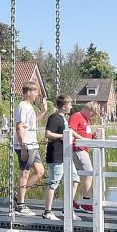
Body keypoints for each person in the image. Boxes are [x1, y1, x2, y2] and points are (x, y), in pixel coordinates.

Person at [13, 82, 48, 216]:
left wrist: (43, 111)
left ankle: (19, 194)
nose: (36, 94)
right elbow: (19, 127)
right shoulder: (22, 106)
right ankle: (20, 205)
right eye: (35, 91)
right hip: (26, 144)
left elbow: (33, 121)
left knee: (40, 171)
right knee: (25, 173)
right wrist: (23, 147)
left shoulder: (29, 106)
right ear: (28, 92)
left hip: (33, 144)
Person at [42, 94, 78, 220]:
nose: (71, 106)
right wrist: (62, 136)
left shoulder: (64, 118)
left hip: (65, 155)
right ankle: (47, 211)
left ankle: (67, 208)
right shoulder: (54, 117)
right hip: (56, 154)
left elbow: (70, 132)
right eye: (70, 104)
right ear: (64, 106)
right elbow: (47, 134)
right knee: (54, 182)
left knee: (75, 179)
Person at [67, 102, 96, 214]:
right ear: (89, 109)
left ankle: (73, 200)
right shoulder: (77, 116)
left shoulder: (85, 119)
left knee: (81, 175)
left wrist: (92, 136)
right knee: (89, 173)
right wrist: (82, 140)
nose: (93, 116)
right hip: (78, 148)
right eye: (93, 114)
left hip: (83, 148)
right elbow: (71, 130)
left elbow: (84, 132)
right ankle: (86, 201)